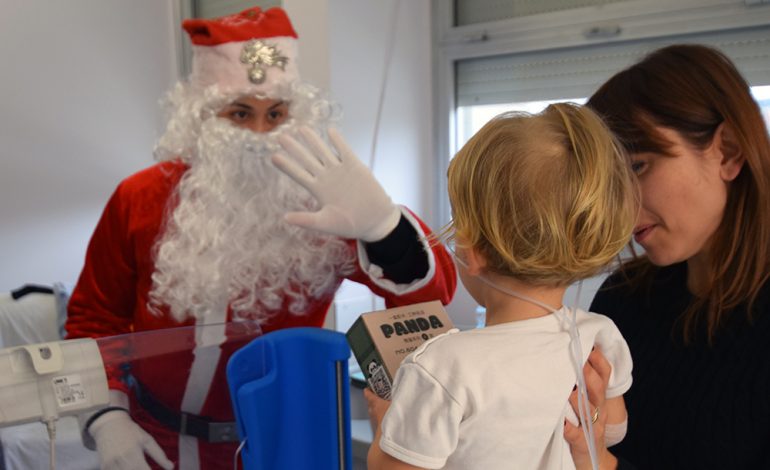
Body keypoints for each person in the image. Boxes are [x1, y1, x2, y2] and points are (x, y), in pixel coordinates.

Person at [65, 6, 456, 470]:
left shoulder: (323, 203)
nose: (259, 133)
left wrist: (386, 228)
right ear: (204, 116)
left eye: (276, 113)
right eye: (239, 113)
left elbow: (432, 298)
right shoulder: (141, 197)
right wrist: (106, 416)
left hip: (288, 442)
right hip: (155, 443)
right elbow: (93, 319)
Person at [364, 103, 639, 469]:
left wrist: (387, 426)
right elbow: (614, 430)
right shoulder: (597, 335)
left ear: (473, 251)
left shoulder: (441, 367)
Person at [573, 44, 770, 469]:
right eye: (611, 182)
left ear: (729, 151)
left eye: (639, 167)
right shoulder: (622, 300)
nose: (620, 205)